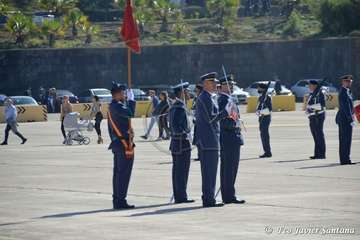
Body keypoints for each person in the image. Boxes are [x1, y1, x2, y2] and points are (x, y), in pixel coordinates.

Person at [195, 72, 232, 208]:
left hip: (209, 140)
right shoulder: (205, 98)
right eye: (212, 82)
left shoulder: (208, 97)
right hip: (208, 141)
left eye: (215, 82)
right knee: (209, 171)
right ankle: (208, 199)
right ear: (205, 84)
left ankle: (208, 197)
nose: (215, 85)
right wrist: (225, 112)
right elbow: (211, 118)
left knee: (210, 171)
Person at [218, 75, 245, 205]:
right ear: (222, 86)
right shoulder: (223, 100)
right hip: (229, 137)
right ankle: (229, 196)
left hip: (233, 138)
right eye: (229, 84)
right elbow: (223, 121)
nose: (232, 86)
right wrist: (235, 124)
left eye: (232, 84)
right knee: (229, 169)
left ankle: (228, 194)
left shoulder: (229, 99)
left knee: (231, 168)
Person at [107, 82, 136, 209]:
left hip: (117, 144)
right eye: (123, 93)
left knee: (118, 174)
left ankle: (117, 199)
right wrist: (131, 101)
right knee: (123, 174)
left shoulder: (111, 106)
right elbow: (131, 113)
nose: (124, 94)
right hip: (124, 145)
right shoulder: (118, 106)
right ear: (118, 94)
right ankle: (121, 201)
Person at [169, 82, 195, 204]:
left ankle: (180, 195)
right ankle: (180, 197)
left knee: (180, 171)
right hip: (181, 144)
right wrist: (186, 134)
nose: (189, 93)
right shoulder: (178, 107)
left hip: (179, 144)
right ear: (181, 93)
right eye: (187, 91)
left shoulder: (179, 106)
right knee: (181, 172)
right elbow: (175, 127)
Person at [336, 75, 356, 165]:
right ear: (343, 82)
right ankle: (344, 160)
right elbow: (346, 107)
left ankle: (346, 158)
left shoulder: (347, 92)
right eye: (347, 81)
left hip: (346, 119)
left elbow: (350, 106)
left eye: (350, 81)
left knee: (347, 140)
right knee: (345, 140)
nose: (349, 82)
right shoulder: (343, 92)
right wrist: (350, 119)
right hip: (345, 120)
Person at [306, 80, 326, 159]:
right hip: (312, 117)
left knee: (319, 136)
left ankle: (321, 154)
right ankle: (317, 153)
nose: (308, 86)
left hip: (318, 117)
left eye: (310, 85)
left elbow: (322, 106)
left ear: (314, 85)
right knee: (315, 136)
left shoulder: (320, 93)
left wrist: (310, 107)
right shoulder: (313, 94)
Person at [256, 82, 272, 158]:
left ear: (262, 89)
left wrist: (260, 112)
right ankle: (266, 151)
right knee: (263, 135)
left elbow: (269, 110)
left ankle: (268, 152)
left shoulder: (267, 97)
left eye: (259, 88)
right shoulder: (261, 97)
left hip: (265, 118)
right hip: (262, 118)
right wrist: (258, 112)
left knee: (265, 136)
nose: (257, 89)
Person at [192, 84, 203, 161]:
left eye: (196, 91)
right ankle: (199, 155)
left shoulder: (202, 99)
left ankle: (202, 155)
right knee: (198, 140)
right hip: (197, 122)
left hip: (202, 123)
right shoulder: (196, 99)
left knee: (202, 140)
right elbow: (194, 108)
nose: (195, 92)